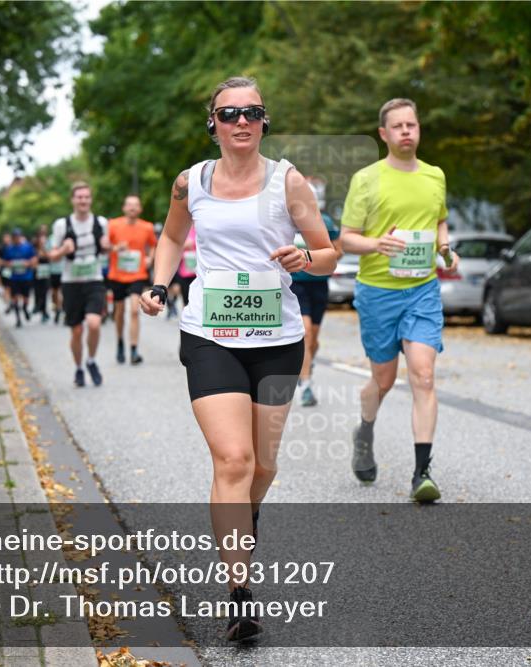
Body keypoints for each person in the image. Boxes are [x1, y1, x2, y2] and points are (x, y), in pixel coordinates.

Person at [140, 76, 336, 641]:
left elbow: (326, 254)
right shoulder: (190, 182)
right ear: (214, 123)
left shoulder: (287, 181)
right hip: (210, 334)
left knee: (263, 466)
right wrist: (159, 283)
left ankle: (241, 524)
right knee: (233, 460)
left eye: (252, 111)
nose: (241, 121)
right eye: (229, 113)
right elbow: (173, 238)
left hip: (277, 338)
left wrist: (305, 256)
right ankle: (240, 594)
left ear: (264, 120)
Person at [340, 98, 460, 503]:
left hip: (422, 289)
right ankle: (365, 430)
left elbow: (439, 217)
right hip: (377, 292)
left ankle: (421, 473)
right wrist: (377, 243)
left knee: (423, 375)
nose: (407, 131)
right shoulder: (367, 179)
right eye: (398, 126)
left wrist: (445, 247)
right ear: (384, 134)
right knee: (384, 379)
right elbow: (346, 238)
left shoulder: (435, 176)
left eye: (412, 124)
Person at [47, 181, 112, 387]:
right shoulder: (61, 225)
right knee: (76, 331)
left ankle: (91, 360)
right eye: (79, 197)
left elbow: (107, 250)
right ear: (73, 200)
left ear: (90, 200)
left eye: (86, 197)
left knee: (94, 323)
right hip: (71, 283)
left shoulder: (101, 222)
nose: (83, 200)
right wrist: (63, 250)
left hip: (94, 280)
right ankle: (79, 368)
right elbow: (52, 256)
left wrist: (106, 247)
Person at [289, 176, 343, 407]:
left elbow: (337, 250)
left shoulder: (327, 221)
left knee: (314, 339)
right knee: (306, 332)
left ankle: (306, 364)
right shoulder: (285, 220)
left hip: (318, 283)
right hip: (294, 284)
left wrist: (317, 258)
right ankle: (306, 385)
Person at [106, 195, 156, 364]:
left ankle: (134, 350)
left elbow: (154, 245)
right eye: (129, 205)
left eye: (136, 205)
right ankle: (120, 341)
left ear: (140, 209)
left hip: (138, 274)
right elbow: (105, 247)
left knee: (135, 310)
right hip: (118, 274)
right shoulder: (113, 225)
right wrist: (115, 248)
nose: (132, 208)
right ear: (124, 208)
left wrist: (150, 258)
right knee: (119, 311)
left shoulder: (147, 227)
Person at [167, 226, 197, 319]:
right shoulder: (182, 228)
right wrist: (183, 246)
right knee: (185, 298)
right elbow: (172, 246)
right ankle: (187, 321)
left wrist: (194, 244)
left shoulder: (201, 226)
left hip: (198, 272)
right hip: (184, 271)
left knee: (198, 299)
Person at [33, 229, 52, 323]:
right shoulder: (33, 248)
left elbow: (49, 257)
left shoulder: (47, 247)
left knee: (45, 292)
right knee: (37, 291)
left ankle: (44, 311)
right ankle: (38, 306)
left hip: (46, 273)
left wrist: (43, 248)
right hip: (36, 273)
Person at [0, 231, 14, 311]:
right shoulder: (1, 249)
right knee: (6, 287)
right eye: (5, 238)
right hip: (5, 270)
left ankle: (11, 302)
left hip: (14, 270)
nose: (6, 240)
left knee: (12, 287)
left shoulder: (14, 247)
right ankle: (8, 303)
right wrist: (4, 263)